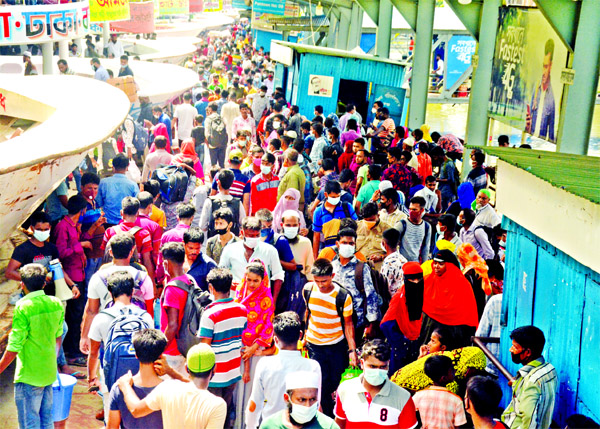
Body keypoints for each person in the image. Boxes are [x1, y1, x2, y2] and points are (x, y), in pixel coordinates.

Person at [0, 264, 64, 429]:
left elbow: (14, 346)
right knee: (46, 420)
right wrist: (51, 360)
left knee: (30, 423)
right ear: (44, 284)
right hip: (48, 373)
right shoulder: (56, 303)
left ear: (22, 284)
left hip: (29, 376)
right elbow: (58, 337)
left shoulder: (23, 306)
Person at [87, 271, 154, 422]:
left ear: (110, 293)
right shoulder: (145, 317)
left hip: (110, 379)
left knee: (112, 420)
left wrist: (92, 378)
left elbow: (93, 353)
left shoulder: (101, 318)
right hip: (141, 378)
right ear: (132, 292)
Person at [117, 343, 227, 428]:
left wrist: (125, 386)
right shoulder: (217, 405)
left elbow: (136, 410)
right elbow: (196, 390)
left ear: (186, 368)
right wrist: (170, 371)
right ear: (214, 369)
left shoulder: (167, 388)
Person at [81, 233, 154, 354]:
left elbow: (91, 311)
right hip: (137, 334)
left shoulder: (98, 277)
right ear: (132, 252)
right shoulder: (143, 277)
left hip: (107, 331)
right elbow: (149, 311)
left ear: (110, 252)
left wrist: (84, 336)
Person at [246, 312, 322, 428]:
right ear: (300, 335)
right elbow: (316, 404)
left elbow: (255, 403)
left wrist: (250, 426)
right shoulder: (313, 367)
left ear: (275, 340)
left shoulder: (264, 364)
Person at [303, 259, 357, 417]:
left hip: (336, 346)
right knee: (320, 385)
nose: (320, 285)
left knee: (336, 383)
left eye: (324, 281)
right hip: (314, 345)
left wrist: (352, 350)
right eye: (317, 281)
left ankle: (336, 416)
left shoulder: (343, 296)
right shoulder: (307, 290)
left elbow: (348, 325)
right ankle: (324, 417)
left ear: (332, 276)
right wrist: (305, 335)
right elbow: (308, 313)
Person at [199, 268, 247, 428]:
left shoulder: (210, 314)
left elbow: (204, 348)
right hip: (232, 372)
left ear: (211, 288)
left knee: (211, 416)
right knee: (225, 412)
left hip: (214, 377)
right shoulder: (242, 310)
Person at [334, 339, 417, 429]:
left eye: (382, 367)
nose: (377, 371)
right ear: (362, 363)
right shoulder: (345, 390)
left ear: (388, 364)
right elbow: (339, 425)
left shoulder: (403, 397)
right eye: (372, 366)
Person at [234, 262, 276, 416]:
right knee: (237, 387)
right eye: (249, 279)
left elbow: (268, 325)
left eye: (255, 280)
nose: (251, 284)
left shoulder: (266, 297)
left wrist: (253, 348)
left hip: (257, 349)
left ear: (262, 280)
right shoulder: (240, 291)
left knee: (253, 387)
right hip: (239, 346)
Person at [53, 195, 91, 363]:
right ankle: (72, 353)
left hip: (78, 272)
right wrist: (80, 246)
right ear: (82, 210)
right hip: (70, 276)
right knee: (73, 316)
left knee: (77, 314)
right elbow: (60, 253)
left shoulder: (73, 225)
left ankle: (74, 349)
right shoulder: (63, 227)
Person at [107, 329, 166, 429]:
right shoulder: (170, 389)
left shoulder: (119, 387)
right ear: (161, 356)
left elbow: (112, 427)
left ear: (136, 355)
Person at [420, 250, 479, 348]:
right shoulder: (428, 280)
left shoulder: (462, 285)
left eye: (441, 264)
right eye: (435, 263)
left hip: (454, 335)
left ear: (450, 266)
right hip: (429, 335)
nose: (436, 266)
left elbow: (467, 316)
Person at [502, 326, 558, 429]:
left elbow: (528, 420)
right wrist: (517, 382)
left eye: (515, 347)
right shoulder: (550, 369)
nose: (511, 350)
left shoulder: (531, 381)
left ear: (527, 352)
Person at [160, 242, 199, 375]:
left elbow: (172, 325)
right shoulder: (190, 279)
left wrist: (160, 350)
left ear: (166, 263)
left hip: (172, 352)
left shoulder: (172, 289)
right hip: (188, 346)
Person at [220, 215, 284, 292]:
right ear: (242, 233)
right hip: (236, 299)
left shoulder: (270, 251)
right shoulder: (229, 250)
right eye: (250, 236)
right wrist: (230, 284)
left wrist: (273, 301)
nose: (254, 238)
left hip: (261, 300)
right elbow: (221, 273)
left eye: (257, 235)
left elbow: (278, 276)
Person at [102, 197, 155, 283]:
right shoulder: (144, 234)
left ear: (121, 213)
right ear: (137, 213)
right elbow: (147, 260)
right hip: (135, 277)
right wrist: (152, 283)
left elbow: (104, 256)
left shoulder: (110, 231)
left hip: (113, 276)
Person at [412, 355, 467, 429]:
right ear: (443, 378)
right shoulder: (456, 400)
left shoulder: (418, 395)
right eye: (452, 369)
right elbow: (458, 426)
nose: (455, 371)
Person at [312, 181, 358, 257]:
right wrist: (315, 257)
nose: (336, 199)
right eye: (333, 197)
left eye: (338, 196)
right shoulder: (318, 212)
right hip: (329, 252)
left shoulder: (347, 207)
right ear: (326, 195)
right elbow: (316, 236)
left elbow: (357, 227)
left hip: (347, 251)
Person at [526, 39, 556, 142]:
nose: (543, 72)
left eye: (546, 67)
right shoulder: (535, 90)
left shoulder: (552, 99)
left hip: (540, 143)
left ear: (551, 66)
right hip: (530, 138)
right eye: (543, 66)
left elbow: (552, 133)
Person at [97, 153, 139, 226]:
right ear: (127, 167)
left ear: (113, 167)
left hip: (108, 222)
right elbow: (137, 205)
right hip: (126, 223)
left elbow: (98, 202)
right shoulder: (133, 185)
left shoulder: (103, 182)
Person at [394, 196, 432, 263]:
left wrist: (424, 266)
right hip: (401, 264)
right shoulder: (402, 224)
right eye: (410, 209)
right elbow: (390, 242)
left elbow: (425, 249)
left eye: (414, 210)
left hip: (415, 264)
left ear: (422, 210)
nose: (411, 212)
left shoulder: (427, 227)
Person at [355, 202, 390, 269]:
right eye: (366, 220)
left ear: (378, 215)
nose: (368, 223)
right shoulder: (357, 227)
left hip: (378, 268)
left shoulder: (387, 229)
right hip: (360, 267)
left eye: (371, 220)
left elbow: (393, 252)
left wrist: (381, 257)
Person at [380, 228, 408, 298]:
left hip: (393, 301)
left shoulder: (389, 263)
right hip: (403, 298)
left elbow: (384, 287)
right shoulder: (403, 259)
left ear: (383, 243)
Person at [431, 146, 459, 211]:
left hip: (446, 191)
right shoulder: (443, 163)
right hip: (442, 188)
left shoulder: (449, 164)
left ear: (439, 155)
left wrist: (438, 180)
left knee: (443, 208)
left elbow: (450, 179)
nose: (435, 159)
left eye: (435, 157)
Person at [205, 102, 228, 167]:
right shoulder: (221, 117)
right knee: (221, 163)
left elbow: (206, 132)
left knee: (214, 164)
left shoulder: (208, 119)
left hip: (213, 144)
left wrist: (208, 142)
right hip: (222, 143)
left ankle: (214, 176)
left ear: (210, 109)